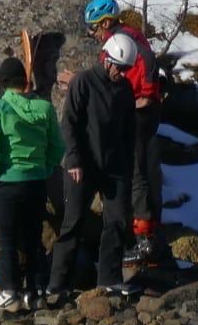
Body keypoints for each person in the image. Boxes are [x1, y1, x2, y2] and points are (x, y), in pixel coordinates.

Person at [47, 33, 138, 299]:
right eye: (119, 68)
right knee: (72, 223)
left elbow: (129, 130)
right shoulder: (84, 82)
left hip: (115, 168)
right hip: (83, 167)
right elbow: (70, 123)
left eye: (127, 69)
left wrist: (128, 164)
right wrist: (73, 160)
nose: (122, 73)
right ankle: (58, 282)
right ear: (107, 60)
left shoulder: (125, 90)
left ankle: (110, 278)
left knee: (119, 220)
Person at [80, 0, 163, 264]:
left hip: (138, 112)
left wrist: (144, 98)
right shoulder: (125, 38)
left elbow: (144, 71)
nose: (91, 34)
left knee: (138, 172)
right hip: (135, 109)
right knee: (136, 171)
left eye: (93, 28)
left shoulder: (126, 41)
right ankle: (137, 235)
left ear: (105, 22)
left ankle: (143, 240)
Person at [0, 57, 65, 312]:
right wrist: (46, 168)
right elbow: (57, 146)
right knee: (33, 238)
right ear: (25, 81)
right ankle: (36, 292)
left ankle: (9, 292)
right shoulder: (45, 108)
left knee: (7, 240)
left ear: (2, 83)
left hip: (8, 182)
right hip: (37, 181)